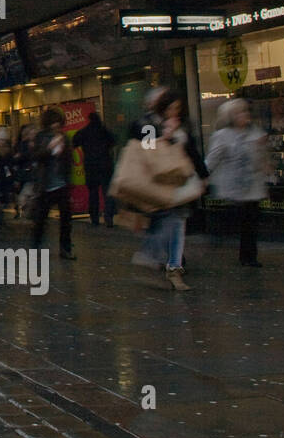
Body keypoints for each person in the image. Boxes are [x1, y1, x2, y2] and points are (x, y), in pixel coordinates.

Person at [114, 89, 206, 290]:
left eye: (177, 108)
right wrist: (168, 138)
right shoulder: (148, 125)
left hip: (176, 181)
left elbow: (191, 151)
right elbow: (148, 153)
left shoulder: (176, 124)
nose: (174, 112)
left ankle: (167, 264)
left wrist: (202, 173)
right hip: (160, 185)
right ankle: (161, 262)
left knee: (173, 223)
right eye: (171, 108)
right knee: (171, 222)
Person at [205, 98, 269, 268]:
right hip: (234, 185)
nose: (244, 115)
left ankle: (249, 257)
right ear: (230, 117)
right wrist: (202, 176)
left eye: (245, 111)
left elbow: (261, 157)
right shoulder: (222, 136)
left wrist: (265, 165)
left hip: (252, 185)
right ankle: (219, 237)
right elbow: (212, 159)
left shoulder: (255, 132)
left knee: (251, 221)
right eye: (239, 112)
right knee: (237, 218)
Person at [29, 109, 74, 259]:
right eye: (53, 123)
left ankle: (65, 248)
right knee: (41, 218)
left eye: (59, 123)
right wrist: (49, 148)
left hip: (61, 183)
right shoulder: (41, 137)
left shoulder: (64, 137)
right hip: (46, 184)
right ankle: (35, 245)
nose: (56, 126)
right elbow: (36, 156)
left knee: (66, 219)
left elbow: (69, 160)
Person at [73, 111, 117, 228]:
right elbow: (113, 141)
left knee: (93, 193)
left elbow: (74, 142)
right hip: (105, 165)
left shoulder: (84, 132)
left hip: (91, 166)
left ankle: (94, 218)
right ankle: (108, 217)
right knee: (107, 192)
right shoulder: (104, 131)